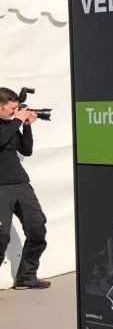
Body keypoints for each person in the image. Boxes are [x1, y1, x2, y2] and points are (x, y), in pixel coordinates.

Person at [0, 87, 49, 289]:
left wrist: (27, 126)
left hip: (21, 183)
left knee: (37, 228)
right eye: (11, 109)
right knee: (1, 238)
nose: (14, 112)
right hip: (1, 188)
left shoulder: (11, 124)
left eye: (15, 109)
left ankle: (27, 277)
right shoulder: (9, 125)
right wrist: (18, 120)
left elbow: (26, 151)